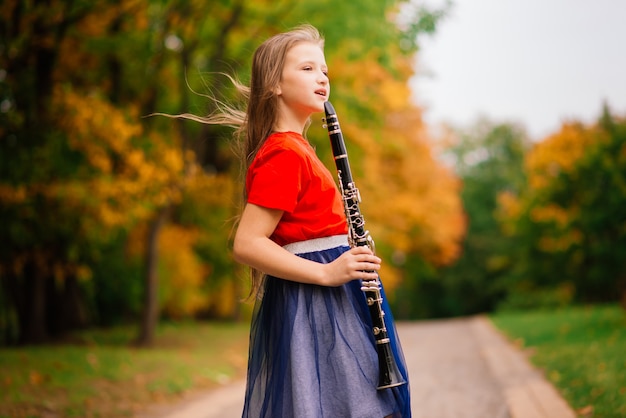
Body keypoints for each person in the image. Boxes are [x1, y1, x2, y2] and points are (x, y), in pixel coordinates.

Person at [171, 24, 411, 417]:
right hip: (318, 303)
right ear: (274, 85)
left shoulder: (298, 150)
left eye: (325, 71)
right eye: (307, 68)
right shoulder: (284, 153)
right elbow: (247, 243)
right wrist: (329, 273)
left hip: (329, 302)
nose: (321, 77)